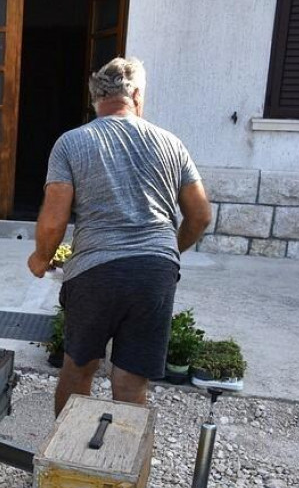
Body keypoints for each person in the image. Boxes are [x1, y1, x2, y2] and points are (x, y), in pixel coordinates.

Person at [27, 57, 212, 416]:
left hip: (95, 270)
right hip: (155, 273)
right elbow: (201, 215)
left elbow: (53, 222)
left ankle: (70, 463)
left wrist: (40, 258)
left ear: (95, 97)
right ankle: (122, 469)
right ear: (137, 95)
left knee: (79, 369)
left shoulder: (71, 143)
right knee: (131, 381)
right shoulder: (171, 143)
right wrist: (166, 250)